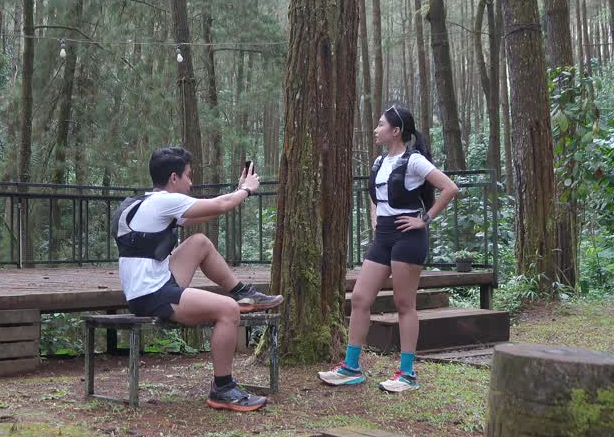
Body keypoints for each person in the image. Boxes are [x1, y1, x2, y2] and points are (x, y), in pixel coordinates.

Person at [114, 146, 283, 411]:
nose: (191, 183)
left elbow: (212, 212)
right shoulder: (164, 202)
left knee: (199, 243)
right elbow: (221, 204)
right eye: (188, 176)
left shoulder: (149, 203)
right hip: (151, 294)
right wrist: (247, 189)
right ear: (173, 178)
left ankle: (243, 292)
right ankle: (223, 388)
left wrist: (238, 192)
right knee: (228, 311)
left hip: (152, 286)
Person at [318, 106, 459, 393]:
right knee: (359, 297)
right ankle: (351, 367)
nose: (376, 129)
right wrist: (375, 219)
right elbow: (375, 195)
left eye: (381, 125)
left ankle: (407, 373)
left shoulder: (415, 161)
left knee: (404, 303)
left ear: (396, 131)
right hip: (383, 235)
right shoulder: (379, 161)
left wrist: (424, 219)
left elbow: (450, 188)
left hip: (408, 236)